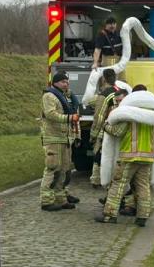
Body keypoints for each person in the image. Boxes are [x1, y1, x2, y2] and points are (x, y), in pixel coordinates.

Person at [95, 85, 154, 227]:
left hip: (128, 156)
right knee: (143, 186)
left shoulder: (128, 114)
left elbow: (117, 132)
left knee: (118, 185)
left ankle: (109, 215)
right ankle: (142, 217)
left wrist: (106, 125)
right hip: (147, 157)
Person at [40, 69, 80, 211]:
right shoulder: (49, 96)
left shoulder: (64, 96)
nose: (66, 84)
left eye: (67, 82)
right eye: (63, 82)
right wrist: (68, 118)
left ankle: (60, 198)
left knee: (64, 170)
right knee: (53, 168)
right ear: (55, 82)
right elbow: (50, 114)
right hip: (53, 138)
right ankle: (46, 200)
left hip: (65, 138)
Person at [89, 69, 120, 188]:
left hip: (106, 130)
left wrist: (93, 134)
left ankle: (96, 179)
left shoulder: (105, 95)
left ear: (103, 79)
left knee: (99, 153)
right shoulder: (120, 92)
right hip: (120, 128)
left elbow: (99, 116)